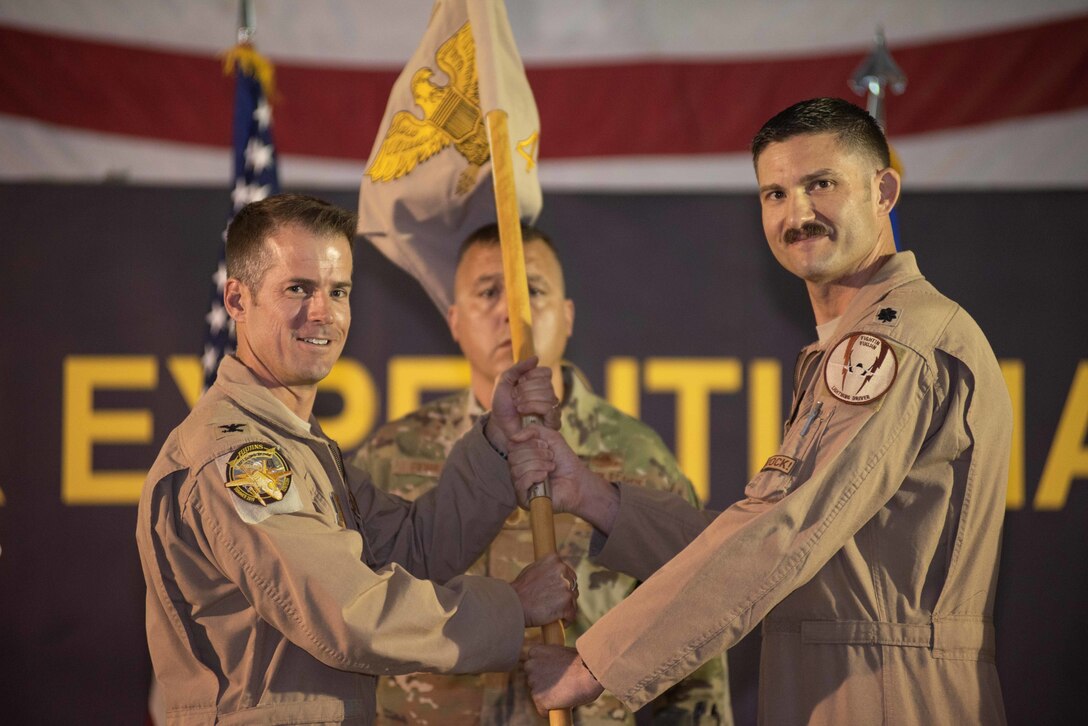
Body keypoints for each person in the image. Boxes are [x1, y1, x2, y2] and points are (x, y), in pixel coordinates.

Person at [513, 98, 1012, 725]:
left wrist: (595, 666)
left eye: (821, 184)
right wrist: (592, 496)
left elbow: (781, 532)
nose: (797, 213)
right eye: (774, 194)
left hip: (890, 698)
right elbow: (786, 559)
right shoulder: (857, 341)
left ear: (883, 191)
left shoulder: (892, 342)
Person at [135, 194, 579, 725]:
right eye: (298, 288)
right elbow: (348, 615)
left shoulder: (298, 445)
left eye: (338, 290)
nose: (322, 311)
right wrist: (513, 606)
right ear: (237, 300)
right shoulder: (239, 457)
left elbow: (413, 547)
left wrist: (497, 441)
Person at [350, 223, 732, 725]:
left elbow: (695, 654)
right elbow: (355, 621)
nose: (513, 311)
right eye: (489, 293)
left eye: (533, 290)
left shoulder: (637, 459)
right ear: (455, 321)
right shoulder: (388, 454)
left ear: (568, 316)